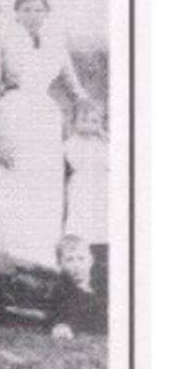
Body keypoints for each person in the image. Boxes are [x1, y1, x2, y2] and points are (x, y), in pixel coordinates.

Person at [0, 0, 91, 267]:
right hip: (13, 116)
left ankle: (43, 261)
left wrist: (85, 111)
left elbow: (76, 89)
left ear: (46, 14)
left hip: (44, 121)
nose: (33, 15)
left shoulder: (56, 45)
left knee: (44, 191)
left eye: (38, 10)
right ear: (17, 13)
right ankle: (11, 260)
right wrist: (1, 136)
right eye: (27, 9)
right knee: (13, 189)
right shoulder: (4, 42)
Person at [63, 100, 109, 292]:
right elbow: (70, 164)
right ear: (74, 121)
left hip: (102, 191)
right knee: (82, 230)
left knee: (103, 229)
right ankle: (80, 278)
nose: (90, 124)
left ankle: (102, 276)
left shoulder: (105, 143)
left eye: (94, 120)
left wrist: (105, 136)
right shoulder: (70, 144)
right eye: (84, 119)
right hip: (81, 190)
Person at [48, 234, 107, 339]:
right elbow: (59, 311)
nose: (76, 265)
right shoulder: (61, 288)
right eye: (69, 260)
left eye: (81, 258)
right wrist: (62, 325)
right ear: (59, 264)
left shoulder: (104, 278)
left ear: (91, 260)